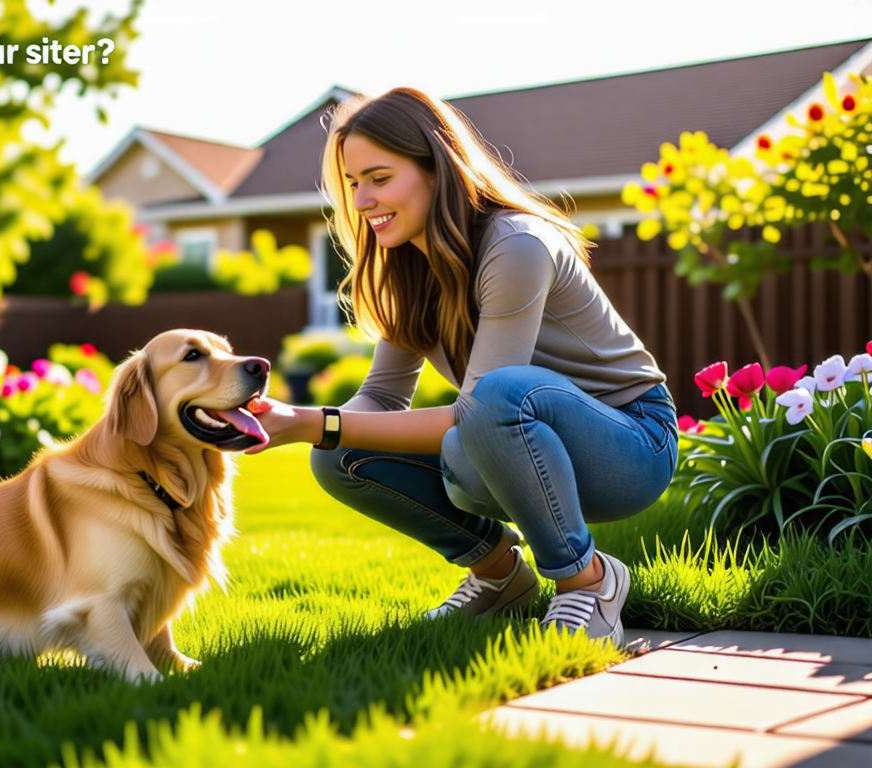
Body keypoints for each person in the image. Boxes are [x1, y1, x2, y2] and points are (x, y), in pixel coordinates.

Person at [249, 87, 677, 646]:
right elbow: (379, 397)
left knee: (496, 399)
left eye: (379, 179)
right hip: (514, 439)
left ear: (438, 167)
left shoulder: (515, 245)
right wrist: (316, 429)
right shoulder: (408, 266)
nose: (360, 202)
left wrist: (316, 421)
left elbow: (481, 409)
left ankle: (588, 581)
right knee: (336, 457)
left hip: (630, 443)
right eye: (354, 184)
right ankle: (501, 575)